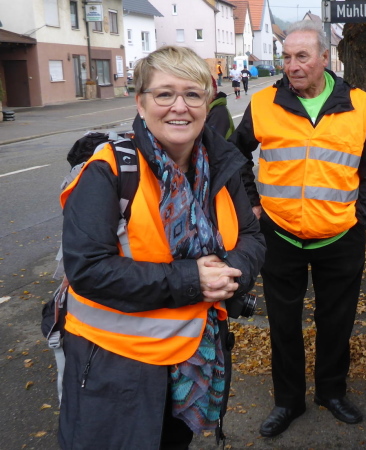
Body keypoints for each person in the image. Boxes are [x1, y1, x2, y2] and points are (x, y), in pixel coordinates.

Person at [57, 45, 266, 449]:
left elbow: (252, 238)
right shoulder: (108, 170)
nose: (179, 107)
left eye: (192, 94)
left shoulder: (222, 165)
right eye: (164, 94)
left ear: (208, 103)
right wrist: (193, 280)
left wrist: (231, 274)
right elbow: (87, 268)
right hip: (116, 366)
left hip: (194, 357)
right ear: (141, 103)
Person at [229, 20, 366, 437]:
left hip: (341, 236)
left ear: (324, 58)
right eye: (286, 57)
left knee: (337, 321)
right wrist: (253, 205)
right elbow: (234, 155)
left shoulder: (360, 105)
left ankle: (331, 392)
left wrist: (362, 219)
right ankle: (288, 401)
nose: (292, 66)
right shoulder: (264, 103)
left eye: (302, 56)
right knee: (283, 323)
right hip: (280, 235)